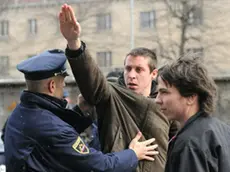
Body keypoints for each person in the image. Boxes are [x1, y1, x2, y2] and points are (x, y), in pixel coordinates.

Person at [59, 4, 179, 172]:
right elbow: (92, 82)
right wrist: (74, 43)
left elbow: (177, 147)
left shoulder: (165, 104)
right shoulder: (111, 95)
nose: (131, 75)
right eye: (128, 69)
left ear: (153, 74)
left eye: (139, 70)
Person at [4, 49, 159, 171]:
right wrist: (132, 155)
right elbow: (99, 166)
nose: (64, 86)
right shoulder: (52, 128)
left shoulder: (19, 114)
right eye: (62, 82)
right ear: (52, 86)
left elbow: (50, 136)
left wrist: (81, 112)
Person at [155, 54, 230, 172]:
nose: (157, 100)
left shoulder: (189, 144)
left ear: (190, 97)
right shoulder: (222, 130)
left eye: (164, 92)